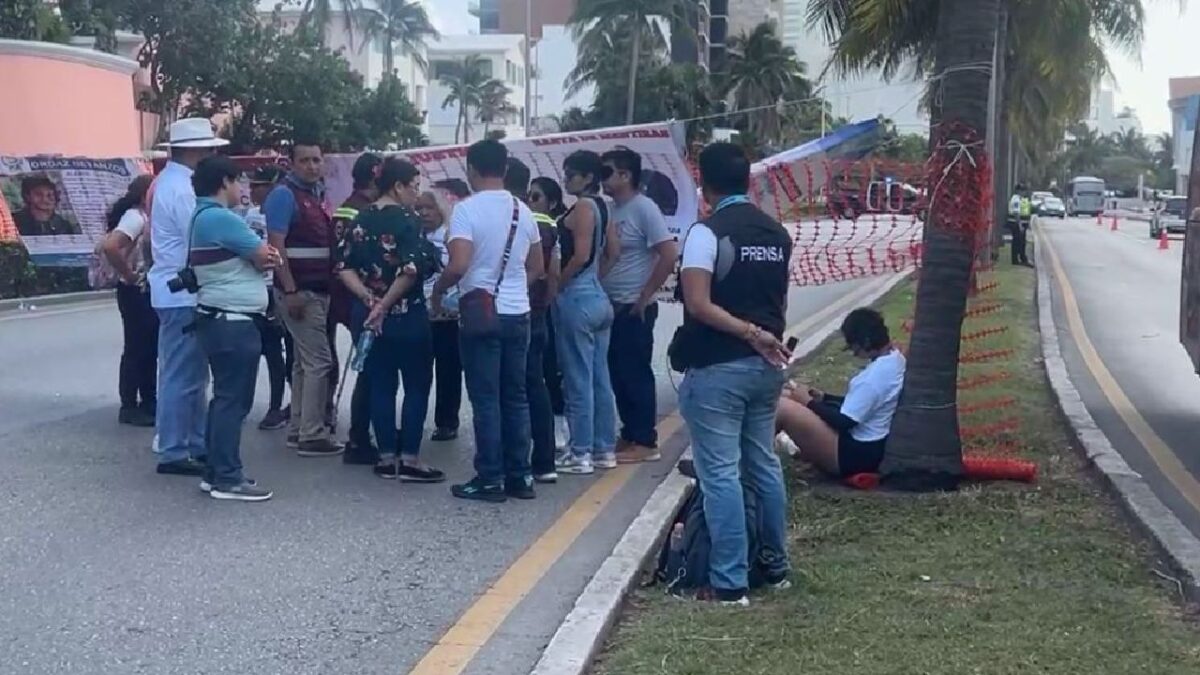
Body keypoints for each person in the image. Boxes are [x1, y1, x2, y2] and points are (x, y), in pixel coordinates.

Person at [672, 142, 793, 605]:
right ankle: (776, 568)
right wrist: (762, 336)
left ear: (704, 183)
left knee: (720, 473)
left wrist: (746, 332)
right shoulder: (776, 233)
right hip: (765, 371)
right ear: (748, 181)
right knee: (762, 464)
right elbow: (776, 303)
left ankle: (729, 583)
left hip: (718, 368)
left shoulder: (706, 233)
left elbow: (697, 303)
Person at [432, 139, 544, 503]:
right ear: (507, 170)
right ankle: (520, 476)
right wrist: (512, 291)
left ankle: (490, 477)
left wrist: (439, 290)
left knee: (486, 398)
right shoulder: (522, 211)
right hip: (518, 313)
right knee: (516, 396)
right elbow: (537, 267)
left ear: (472, 170)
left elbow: (459, 264)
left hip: (480, 313)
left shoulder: (465, 210)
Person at [337, 157, 445, 482]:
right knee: (416, 384)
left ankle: (386, 456)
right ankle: (410, 458)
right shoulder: (408, 222)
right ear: (397, 186)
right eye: (413, 187)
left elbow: (344, 267)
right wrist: (385, 303)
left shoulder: (361, 218)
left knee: (381, 384)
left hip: (368, 318)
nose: (416, 194)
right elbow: (410, 270)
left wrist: (369, 300)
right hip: (406, 316)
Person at [188, 155, 281, 501]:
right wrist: (266, 256)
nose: (242, 188)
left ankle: (215, 471)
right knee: (234, 401)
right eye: (238, 181)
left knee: (224, 398)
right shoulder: (220, 218)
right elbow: (265, 255)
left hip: (218, 317)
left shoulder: (201, 216)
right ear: (224, 182)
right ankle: (228, 477)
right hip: (233, 319)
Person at [146, 117, 227, 478]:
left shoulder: (174, 183)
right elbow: (198, 233)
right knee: (182, 375)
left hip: (179, 292)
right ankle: (175, 448)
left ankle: (190, 444)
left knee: (191, 375)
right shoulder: (180, 189)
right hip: (181, 293)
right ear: (195, 149)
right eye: (208, 148)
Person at [600, 148, 679, 464]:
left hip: (634, 306)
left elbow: (668, 254)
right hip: (611, 305)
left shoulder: (644, 208)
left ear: (625, 175)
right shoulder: (610, 210)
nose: (602, 179)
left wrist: (645, 296)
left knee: (635, 373)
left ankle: (646, 440)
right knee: (616, 372)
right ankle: (630, 432)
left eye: (607, 172)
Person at [264, 141, 343, 457]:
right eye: (305, 161)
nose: (312, 166)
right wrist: (290, 289)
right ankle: (312, 433)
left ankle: (299, 428)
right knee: (319, 361)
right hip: (300, 292)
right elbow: (276, 245)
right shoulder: (284, 195)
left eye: (316, 160)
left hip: (316, 289)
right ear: (291, 164)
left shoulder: (316, 195)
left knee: (302, 363)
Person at [554, 150, 621, 476]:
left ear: (588, 178)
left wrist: (559, 285)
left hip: (578, 297)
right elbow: (614, 251)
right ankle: (603, 448)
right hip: (598, 296)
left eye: (571, 174)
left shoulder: (582, 207)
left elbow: (580, 255)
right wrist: (597, 276)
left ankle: (579, 452)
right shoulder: (603, 207)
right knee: (599, 377)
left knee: (577, 378)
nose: (566, 180)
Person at [777, 308, 904, 478]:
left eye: (853, 347)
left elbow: (844, 421)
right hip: (866, 447)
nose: (853, 352)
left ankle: (757, 463)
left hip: (853, 455)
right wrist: (824, 398)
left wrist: (809, 402)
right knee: (787, 395)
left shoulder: (874, 378)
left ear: (865, 342)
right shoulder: (894, 359)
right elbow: (864, 405)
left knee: (782, 407)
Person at [510, 161, 560, 484]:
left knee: (510, 389)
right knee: (536, 383)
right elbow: (551, 271)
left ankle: (510, 463)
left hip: (511, 309)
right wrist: (546, 302)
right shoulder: (549, 226)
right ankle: (545, 461)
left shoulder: (513, 219)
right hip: (538, 310)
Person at [332, 152, 384, 464]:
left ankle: (363, 432)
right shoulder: (363, 213)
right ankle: (360, 436)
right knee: (372, 368)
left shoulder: (347, 208)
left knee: (370, 367)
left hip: (352, 295)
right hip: (365, 296)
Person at [101, 174, 157, 427]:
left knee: (148, 348)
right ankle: (130, 405)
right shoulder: (135, 217)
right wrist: (129, 275)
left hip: (144, 290)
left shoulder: (146, 217)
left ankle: (148, 401)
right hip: (135, 291)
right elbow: (112, 246)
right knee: (137, 347)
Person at [245, 164, 291, 431]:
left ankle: (278, 407)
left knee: (277, 352)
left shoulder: (282, 212)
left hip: (277, 287)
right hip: (254, 288)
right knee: (252, 350)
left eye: (258, 185)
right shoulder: (249, 215)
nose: (253, 191)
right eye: (251, 186)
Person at [415, 189, 463, 443]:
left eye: (428, 208)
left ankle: (446, 422)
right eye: (419, 209)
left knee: (449, 370)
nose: (423, 213)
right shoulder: (412, 237)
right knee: (419, 371)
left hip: (447, 314)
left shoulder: (450, 236)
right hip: (418, 313)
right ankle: (415, 420)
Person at [530, 177, 570, 450]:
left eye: (536, 197)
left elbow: (553, 272)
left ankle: (558, 424)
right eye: (528, 196)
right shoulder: (528, 224)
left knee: (549, 368)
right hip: (535, 305)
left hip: (545, 305)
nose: (529, 201)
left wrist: (550, 298)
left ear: (552, 202)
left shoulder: (552, 229)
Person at [13, 175, 80, 237]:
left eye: (50, 195)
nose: (44, 199)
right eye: (38, 194)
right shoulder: (13, 220)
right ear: (27, 196)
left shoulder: (64, 226)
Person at [1008, 184, 1032, 267]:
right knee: (1017, 242)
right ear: (1018, 191)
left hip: (1018, 224)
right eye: (1022, 191)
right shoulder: (1016, 200)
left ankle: (1020, 258)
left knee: (1020, 242)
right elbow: (1016, 213)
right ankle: (1017, 259)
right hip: (1016, 224)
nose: (1024, 192)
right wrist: (1020, 225)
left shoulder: (1019, 199)